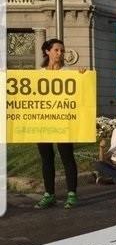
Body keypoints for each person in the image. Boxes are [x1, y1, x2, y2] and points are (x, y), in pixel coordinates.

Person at [34, 39, 81, 209]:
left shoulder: (68, 72)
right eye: (56, 50)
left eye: (62, 51)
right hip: (42, 123)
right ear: (47, 51)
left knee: (67, 157)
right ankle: (49, 194)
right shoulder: (38, 74)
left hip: (63, 122)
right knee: (46, 159)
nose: (60, 54)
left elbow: (79, 94)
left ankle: (72, 194)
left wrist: (82, 78)